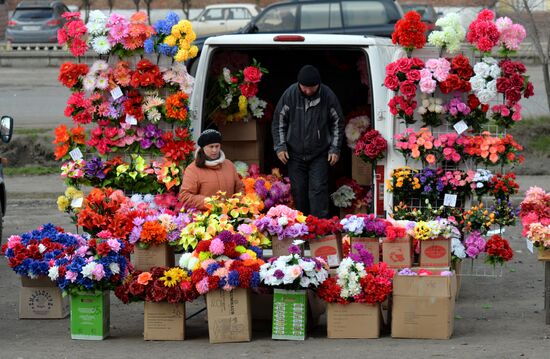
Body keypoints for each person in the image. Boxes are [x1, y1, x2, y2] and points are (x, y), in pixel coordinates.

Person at [271, 65, 344, 218]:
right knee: (299, 191)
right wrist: (280, 146)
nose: (309, 91)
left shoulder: (327, 95)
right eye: (305, 88)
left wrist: (335, 148)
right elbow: (278, 121)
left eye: (312, 87)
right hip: (295, 154)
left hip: (319, 154)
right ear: (299, 84)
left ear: (319, 84)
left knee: (318, 190)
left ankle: (319, 229)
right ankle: (301, 230)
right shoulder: (290, 94)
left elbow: (338, 122)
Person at [178, 129, 244, 211]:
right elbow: (185, 196)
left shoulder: (229, 165)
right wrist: (210, 203)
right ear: (203, 148)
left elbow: (240, 188)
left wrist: (236, 201)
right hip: (205, 219)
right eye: (211, 147)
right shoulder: (193, 169)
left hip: (230, 216)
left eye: (217, 146)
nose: (214, 150)